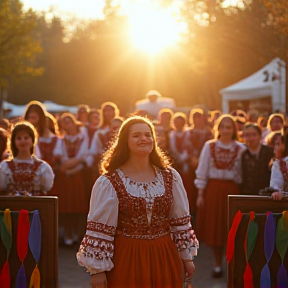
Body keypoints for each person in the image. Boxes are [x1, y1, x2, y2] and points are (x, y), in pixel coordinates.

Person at [77, 116, 199, 288]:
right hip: (128, 256)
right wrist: (97, 271)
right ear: (124, 141)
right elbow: (100, 229)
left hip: (164, 254)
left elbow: (179, 221)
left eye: (148, 135)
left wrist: (186, 258)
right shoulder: (110, 181)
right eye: (136, 135)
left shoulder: (170, 176)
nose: (143, 139)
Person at [195, 114, 245, 278]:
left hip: (232, 189)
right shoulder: (209, 146)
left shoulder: (240, 148)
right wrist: (200, 194)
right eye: (222, 126)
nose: (225, 130)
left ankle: (232, 263)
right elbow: (202, 170)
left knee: (231, 228)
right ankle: (217, 264)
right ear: (218, 128)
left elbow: (243, 174)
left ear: (234, 129)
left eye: (229, 127)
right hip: (214, 189)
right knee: (215, 228)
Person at [0, 122, 54, 195]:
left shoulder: (42, 168)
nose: (23, 141)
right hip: (12, 205)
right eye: (19, 138)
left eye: (26, 138)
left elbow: (47, 187)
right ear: (13, 141)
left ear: (32, 140)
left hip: (36, 205)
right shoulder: (4, 167)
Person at [241, 123, 274, 195]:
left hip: (267, 195)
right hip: (247, 195)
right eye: (247, 135)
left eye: (254, 134)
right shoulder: (242, 154)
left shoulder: (270, 152)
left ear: (260, 136)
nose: (251, 138)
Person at [270, 131, 288, 201]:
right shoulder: (279, 164)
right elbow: (275, 186)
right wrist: (277, 193)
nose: (275, 148)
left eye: (278, 144)